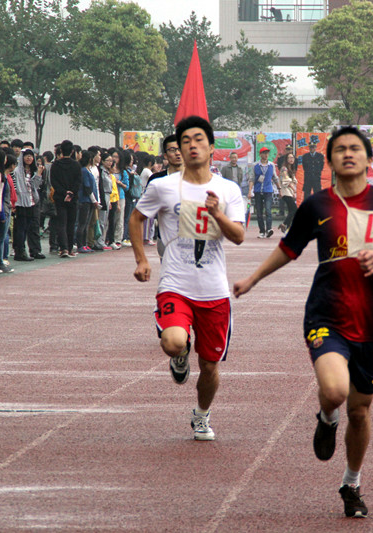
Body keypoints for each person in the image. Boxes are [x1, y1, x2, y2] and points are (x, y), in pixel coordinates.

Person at [233, 126, 373, 518]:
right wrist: (253, 278)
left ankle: (351, 483)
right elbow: (289, 248)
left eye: (355, 149)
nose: (348, 154)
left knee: (361, 411)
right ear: (329, 160)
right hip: (326, 314)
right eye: (340, 150)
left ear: (369, 158)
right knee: (335, 391)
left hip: (371, 322)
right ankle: (326, 416)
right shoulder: (317, 205)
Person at [129, 116, 245, 441]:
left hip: (214, 291)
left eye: (198, 139)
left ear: (211, 147)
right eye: (185, 141)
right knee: (174, 342)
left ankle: (201, 415)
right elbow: (136, 218)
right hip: (175, 285)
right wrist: (141, 259)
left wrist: (217, 213)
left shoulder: (228, 189)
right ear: (178, 149)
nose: (192, 145)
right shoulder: (162, 186)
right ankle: (180, 354)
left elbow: (238, 236)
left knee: (209, 366)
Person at [50, 140, 82, 258]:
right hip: (73, 198)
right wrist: (71, 193)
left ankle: (63, 248)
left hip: (60, 197)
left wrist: (64, 192)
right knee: (71, 223)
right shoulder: (76, 165)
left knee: (61, 223)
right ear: (72, 151)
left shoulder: (56, 165)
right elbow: (78, 181)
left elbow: (53, 182)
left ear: (61, 151)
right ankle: (69, 248)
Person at [252, 147, 279, 238]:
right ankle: (262, 231)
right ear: (260, 155)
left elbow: (275, 177)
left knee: (268, 210)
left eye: (267, 153)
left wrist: (279, 188)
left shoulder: (271, 165)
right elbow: (252, 178)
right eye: (264, 153)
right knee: (259, 213)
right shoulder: (255, 165)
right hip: (258, 191)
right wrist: (250, 191)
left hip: (268, 191)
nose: (266, 155)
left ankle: (269, 229)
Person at [277, 152, 298, 233]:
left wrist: (293, 191)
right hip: (285, 192)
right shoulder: (284, 169)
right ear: (286, 159)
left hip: (290, 192)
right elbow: (286, 181)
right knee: (294, 209)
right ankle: (285, 224)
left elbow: (293, 181)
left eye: (292, 158)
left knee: (291, 210)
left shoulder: (291, 169)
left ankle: (287, 227)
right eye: (289, 157)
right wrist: (293, 189)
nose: (291, 159)